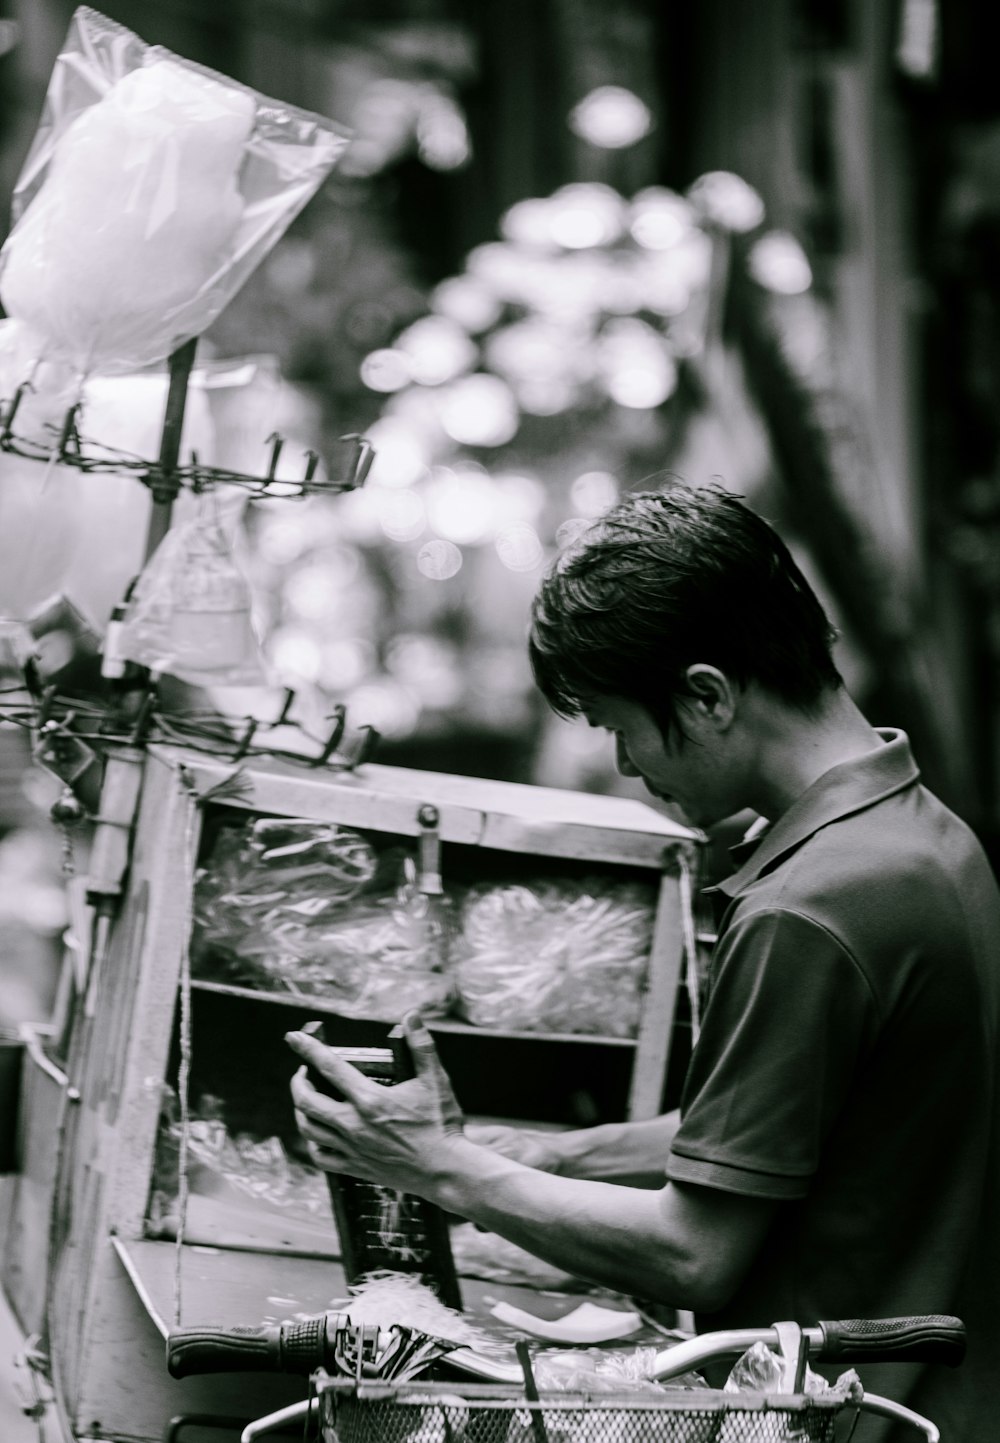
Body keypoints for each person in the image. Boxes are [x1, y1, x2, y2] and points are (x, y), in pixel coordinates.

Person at [287, 484, 1000, 1441]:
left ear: (705, 695)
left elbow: (691, 1254)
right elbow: (785, 1132)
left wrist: (441, 1169)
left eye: (621, 726)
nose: (625, 765)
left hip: (850, 1418)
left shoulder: (814, 905)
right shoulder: (920, 834)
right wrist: (553, 1155)